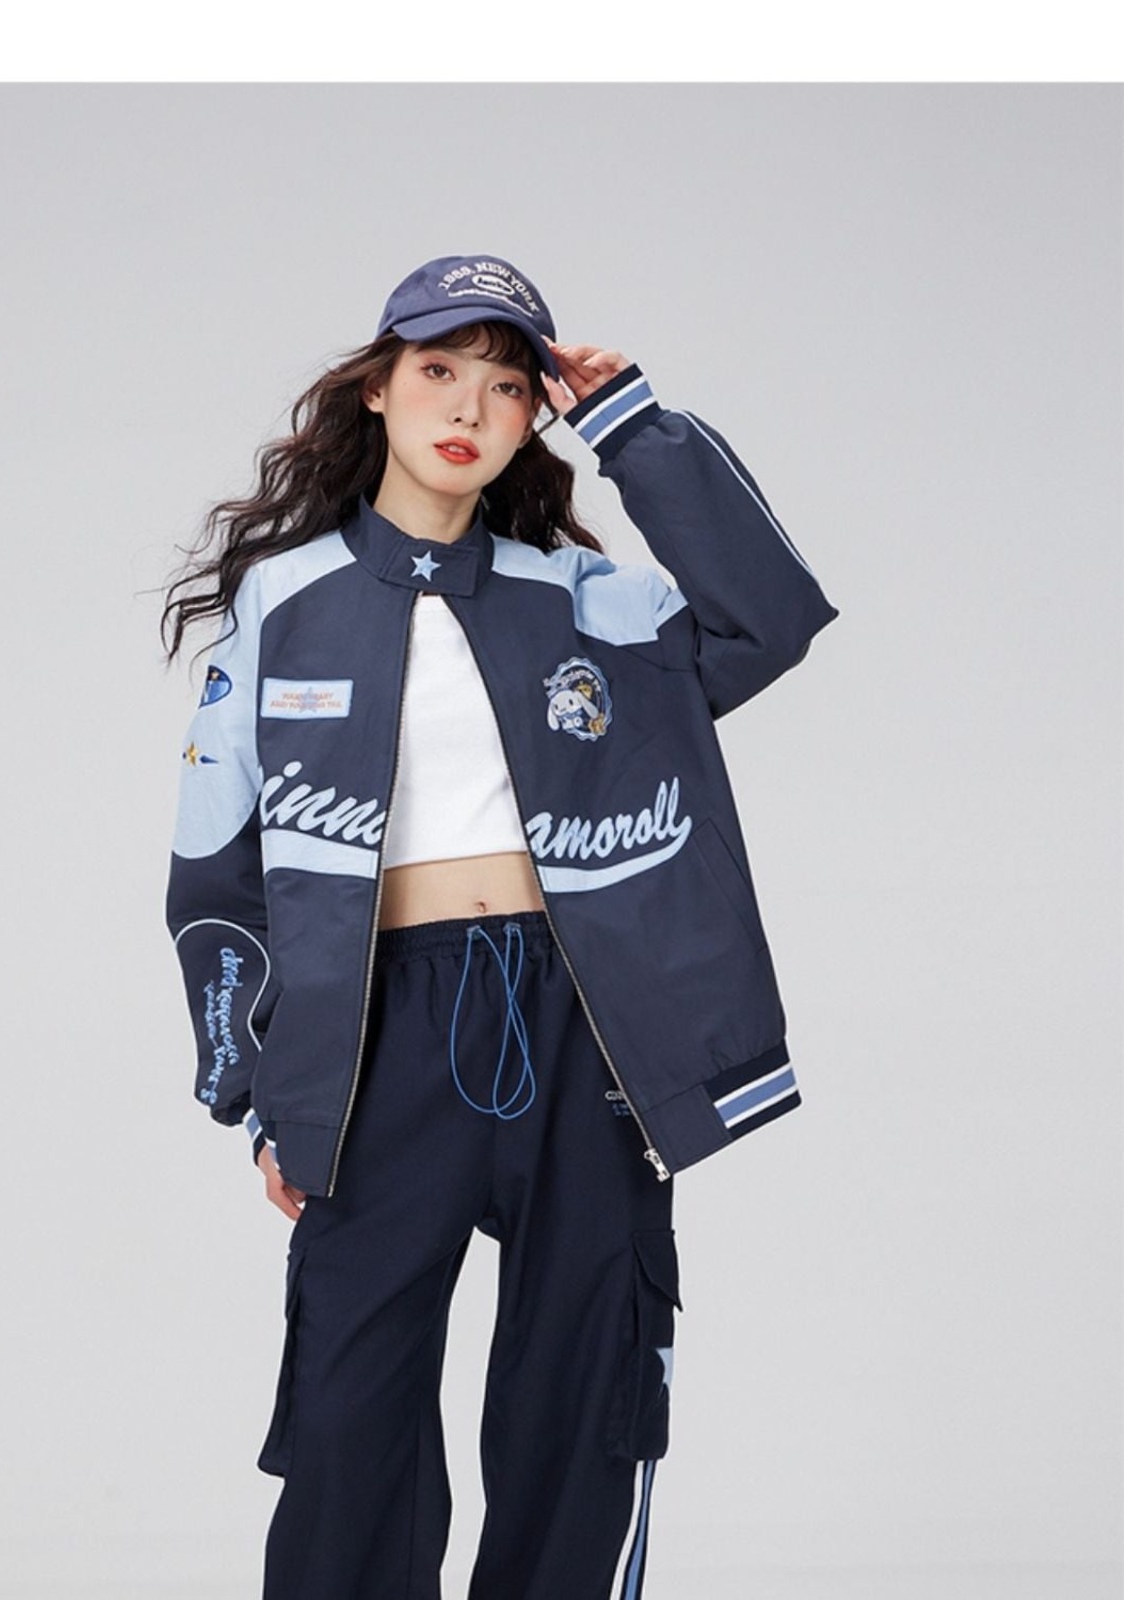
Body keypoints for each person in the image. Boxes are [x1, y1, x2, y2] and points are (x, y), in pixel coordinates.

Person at [158, 253, 839, 1600]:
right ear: (377, 387)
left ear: (537, 416)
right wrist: (256, 1087)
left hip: (582, 1024)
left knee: (582, 1401)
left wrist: (633, 425)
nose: (469, 407)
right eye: (438, 370)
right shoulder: (282, 603)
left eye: (508, 386)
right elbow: (214, 869)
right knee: (348, 1419)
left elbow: (770, 616)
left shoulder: (584, 597)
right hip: (377, 1034)